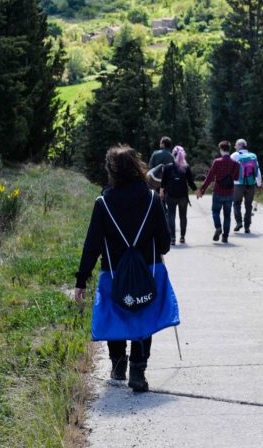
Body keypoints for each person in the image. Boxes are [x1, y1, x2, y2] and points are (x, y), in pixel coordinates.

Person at [74, 145, 179, 393]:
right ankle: (138, 370)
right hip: (149, 269)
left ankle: (118, 366)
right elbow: (164, 243)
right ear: (137, 166)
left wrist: (81, 280)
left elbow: (92, 245)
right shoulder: (152, 198)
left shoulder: (103, 203)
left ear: (111, 170)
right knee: (143, 317)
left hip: (113, 270)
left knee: (117, 315)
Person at [199, 140, 241, 243]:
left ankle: (218, 227)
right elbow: (236, 178)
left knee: (215, 211)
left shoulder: (217, 162)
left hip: (218, 191)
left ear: (221, 149)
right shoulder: (235, 163)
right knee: (227, 215)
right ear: (229, 150)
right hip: (230, 192)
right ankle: (225, 237)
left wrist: (202, 189)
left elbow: (209, 177)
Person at [160, 146, 197, 245]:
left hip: (171, 195)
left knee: (171, 216)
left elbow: (163, 183)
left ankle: (172, 238)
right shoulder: (186, 167)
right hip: (183, 196)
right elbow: (190, 182)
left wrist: (161, 193)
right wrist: (197, 191)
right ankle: (182, 237)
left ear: (173, 154)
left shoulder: (167, 167)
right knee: (183, 216)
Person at [230, 139, 262, 234]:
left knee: (236, 203)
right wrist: (259, 184)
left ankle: (239, 222)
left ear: (240, 146)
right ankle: (247, 227)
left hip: (238, 184)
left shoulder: (234, 155)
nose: (235, 147)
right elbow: (258, 171)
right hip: (251, 184)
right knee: (248, 205)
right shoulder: (253, 156)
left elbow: (229, 169)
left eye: (236, 145)